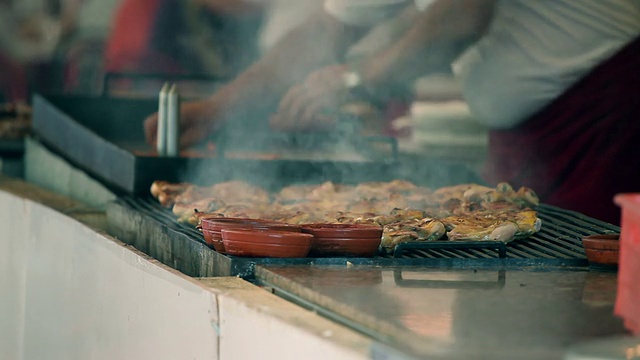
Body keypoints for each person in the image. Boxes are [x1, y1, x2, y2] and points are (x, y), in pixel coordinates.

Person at [143, 0, 640, 225]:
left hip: (610, 113)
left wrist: (356, 78)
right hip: (528, 138)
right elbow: (327, 28)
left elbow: (462, 14)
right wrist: (218, 109)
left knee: (589, 306)